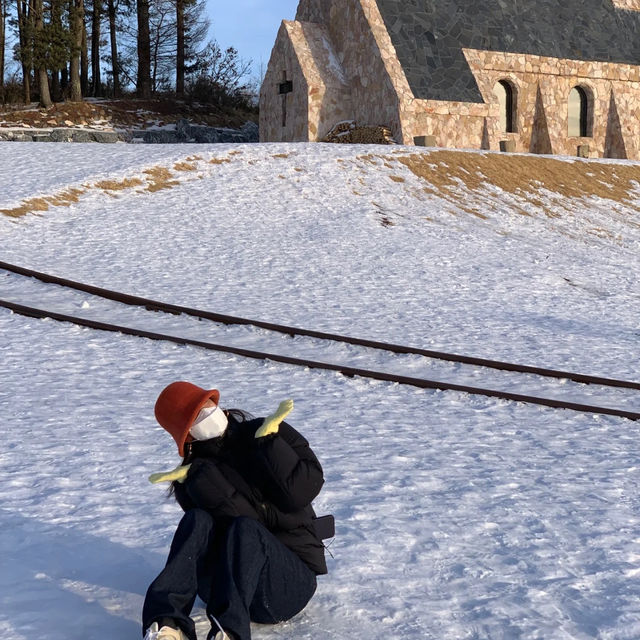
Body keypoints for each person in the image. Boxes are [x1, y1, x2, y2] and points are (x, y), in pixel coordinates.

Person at [142, 381, 329, 640]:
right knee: (197, 519)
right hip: (223, 589)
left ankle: (229, 633)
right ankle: (166, 624)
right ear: (188, 435)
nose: (208, 413)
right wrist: (202, 480)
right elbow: (228, 528)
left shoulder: (265, 432)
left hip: (288, 585)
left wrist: (269, 444)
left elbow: (301, 491)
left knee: (246, 529)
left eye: (207, 405)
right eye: (196, 416)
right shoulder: (192, 477)